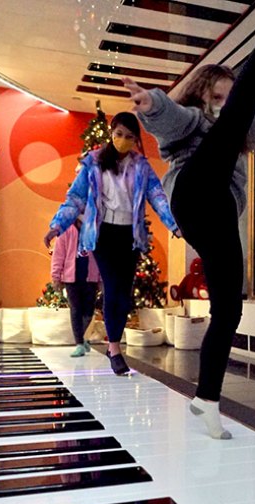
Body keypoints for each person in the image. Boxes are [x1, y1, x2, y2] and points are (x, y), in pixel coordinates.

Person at [124, 0, 255, 439]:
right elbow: (171, 117)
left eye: (230, 98)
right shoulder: (191, 122)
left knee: (230, 307)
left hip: (218, 214)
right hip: (193, 190)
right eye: (218, 98)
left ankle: (207, 400)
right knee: (225, 138)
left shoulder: (239, 128)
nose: (224, 106)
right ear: (203, 96)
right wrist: (151, 105)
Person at [44, 112, 180, 375]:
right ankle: (115, 347)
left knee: (123, 292)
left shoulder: (141, 166)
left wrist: (173, 224)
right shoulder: (93, 162)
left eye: (130, 137)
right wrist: (57, 225)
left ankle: (113, 344)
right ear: (111, 132)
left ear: (136, 139)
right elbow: (76, 198)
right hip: (104, 233)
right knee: (112, 287)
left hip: (130, 235)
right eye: (119, 134)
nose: (123, 141)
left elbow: (157, 195)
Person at [50, 218, 101, 357]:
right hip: (71, 278)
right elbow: (58, 255)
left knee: (89, 312)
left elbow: (99, 256)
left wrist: (100, 278)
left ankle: (82, 337)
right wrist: (56, 277)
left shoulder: (94, 229)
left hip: (90, 278)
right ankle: (79, 343)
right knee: (75, 309)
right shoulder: (65, 230)